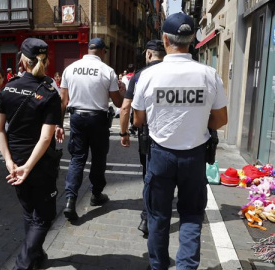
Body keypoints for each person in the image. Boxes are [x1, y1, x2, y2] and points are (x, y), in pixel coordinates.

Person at [132, 12, 228, 270]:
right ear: (193, 40)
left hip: (160, 155)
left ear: (165, 40)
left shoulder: (148, 76)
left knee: (158, 217)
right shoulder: (209, 74)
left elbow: (138, 120)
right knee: (191, 215)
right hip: (195, 155)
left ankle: (158, 266)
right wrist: (196, 121)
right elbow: (220, 119)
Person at [0, 38, 61, 270]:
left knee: (29, 212)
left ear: (22, 59)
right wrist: (28, 167)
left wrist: (10, 161)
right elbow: (45, 138)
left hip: (17, 161)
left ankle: (36, 257)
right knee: (44, 216)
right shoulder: (50, 92)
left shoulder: (8, 88)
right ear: (46, 60)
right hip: (39, 164)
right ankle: (23, 265)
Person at [57, 37, 125, 221]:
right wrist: (123, 91)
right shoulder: (107, 71)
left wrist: (58, 124)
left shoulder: (70, 69)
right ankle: (96, 194)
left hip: (76, 117)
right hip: (98, 119)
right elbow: (118, 102)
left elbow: (63, 101)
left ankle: (71, 199)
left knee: (77, 158)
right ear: (103, 51)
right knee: (98, 158)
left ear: (88, 50)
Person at [119, 40, 166, 235]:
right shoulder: (173, 72)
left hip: (147, 132)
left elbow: (125, 107)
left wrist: (124, 133)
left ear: (148, 54)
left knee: (149, 174)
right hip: (175, 134)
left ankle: (147, 217)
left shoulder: (140, 76)